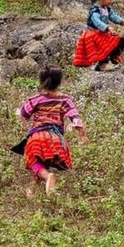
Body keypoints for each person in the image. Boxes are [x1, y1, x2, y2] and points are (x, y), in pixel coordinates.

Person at [11, 65, 87, 195]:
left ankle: (48, 177)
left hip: (38, 137)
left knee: (32, 160)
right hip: (57, 139)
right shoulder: (65, 100)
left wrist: (26, 121)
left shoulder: (35, 99)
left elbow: (23, 114)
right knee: (42, 163)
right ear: (59, 81)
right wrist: (82, 135)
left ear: (41, 81)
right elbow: (75, 118)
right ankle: (33, 192)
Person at [72, 0, 124, 70]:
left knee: (120, 42)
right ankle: (103, 65)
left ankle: (112, 60)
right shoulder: (95, 10)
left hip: (102, 33)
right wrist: (107, 27)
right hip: (94, 34)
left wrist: (121, 20)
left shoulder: (106, 8)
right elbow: (96, 21)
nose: (111, 1)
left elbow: (113, 16)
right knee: (104, 51)